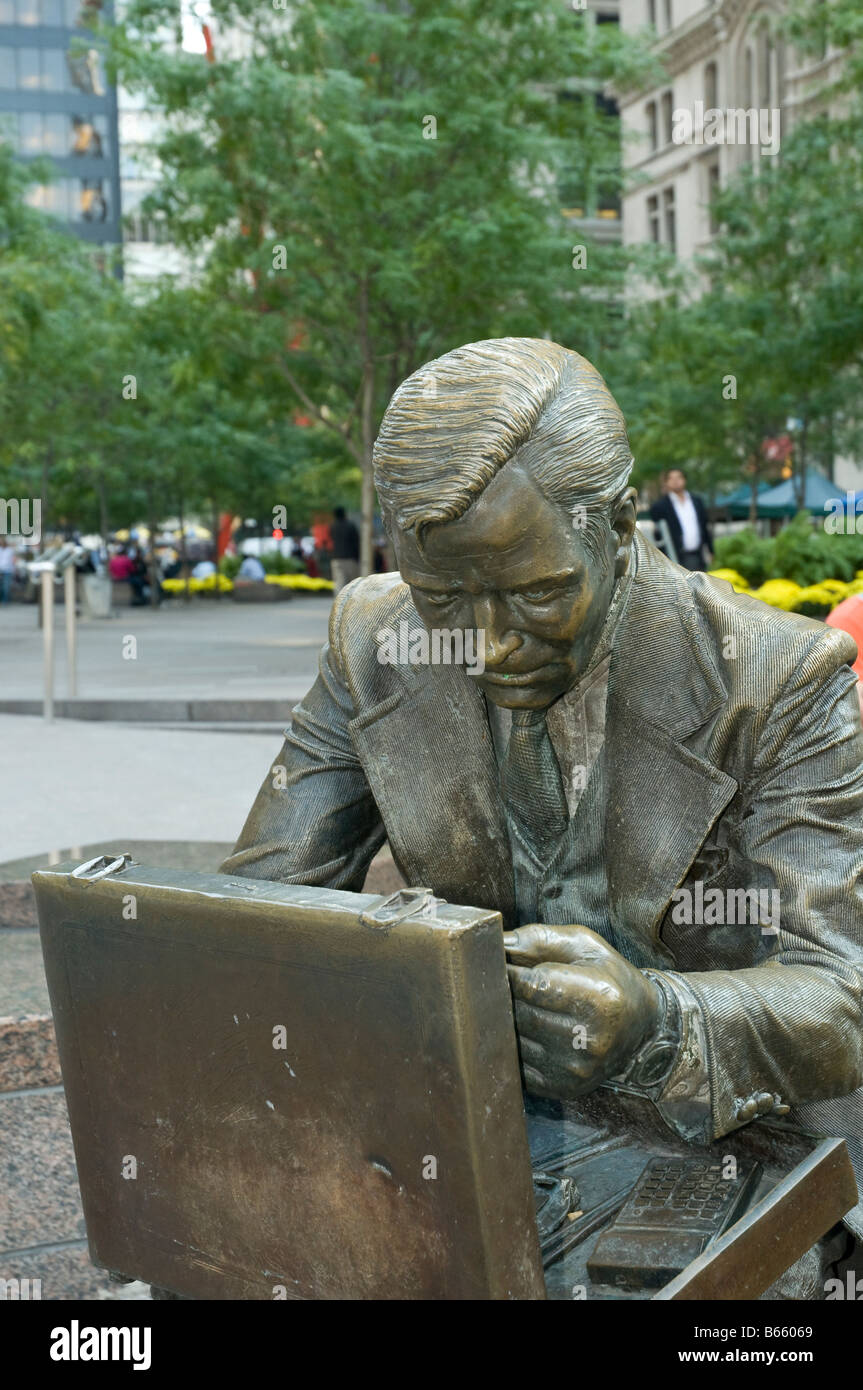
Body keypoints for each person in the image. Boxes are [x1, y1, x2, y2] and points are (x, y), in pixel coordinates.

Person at [222, 338, 863, 1258]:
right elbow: (252, 917)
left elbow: (839, 998)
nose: (486, 646)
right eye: (442, 597)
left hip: (742, 1147)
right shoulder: (372, 640)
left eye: (535, 593)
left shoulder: (778, 679)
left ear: (616, 522)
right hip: (477, 1134)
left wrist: (657, 1018)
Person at [650, 468, 713, 570]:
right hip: (674, 557)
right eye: (671, 478)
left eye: (678, 477)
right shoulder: (659, 507)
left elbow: (704, 526)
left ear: (684, 480)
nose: (675, 481)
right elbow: (658, 534)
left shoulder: (697, 501)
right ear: (666, 482)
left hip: (698, 555)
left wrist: (710, 550)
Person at [329, 506, 360, 593]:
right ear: (344, 514)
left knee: (339, 583)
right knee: (353, 584)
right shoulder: (350, 525)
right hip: (350, 558)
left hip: (336, 558)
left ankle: (339, 603)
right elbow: (356, 541)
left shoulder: (332, 527)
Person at [0, 537, 16, 604]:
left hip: (8, 570)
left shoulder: (10, 550)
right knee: (1, 586)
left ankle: (5, 600)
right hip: (0, 570)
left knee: (6, 586)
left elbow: (13, 560)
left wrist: (14, 568)